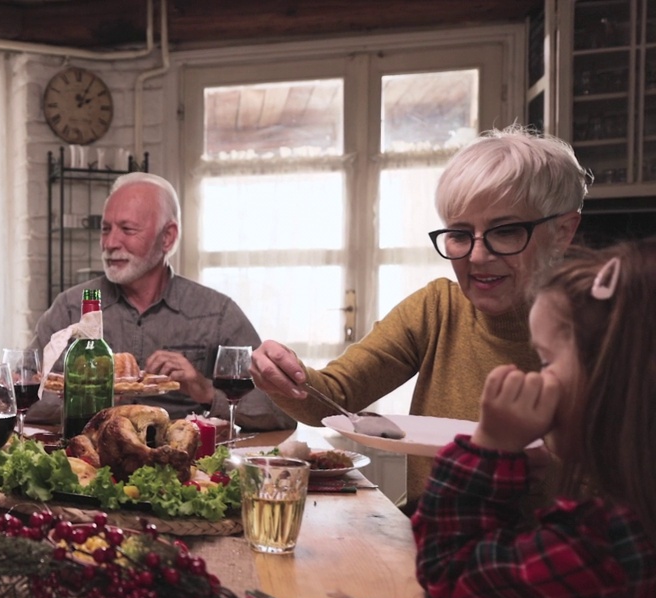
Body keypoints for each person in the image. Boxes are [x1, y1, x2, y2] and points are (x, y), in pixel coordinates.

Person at [250, 125, 588, 505]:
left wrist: (546, 472)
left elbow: (626, 498)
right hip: (429, 545)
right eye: (460, 234)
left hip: (545, 558)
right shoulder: (437, 309)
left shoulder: (608, 334)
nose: (477, 256)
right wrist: (286, 376)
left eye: (505, 231)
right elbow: (333, 398)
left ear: (562, 232)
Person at [413, 241, 656, 598]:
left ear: (609, 376)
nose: (540, 377)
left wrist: (491, 446)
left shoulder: (603, 543)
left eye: (546, 361)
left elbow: (446, 566)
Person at [29, 172, 292, 431]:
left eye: (127, 230)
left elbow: (281, 411)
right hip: (89, 461)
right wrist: (90, 397)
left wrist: (205, 390)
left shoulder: (217, 313)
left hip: (184, 466)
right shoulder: (73, 307)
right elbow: (18, 394)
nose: (110, 243)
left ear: (167, 237)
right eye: (105, 229)